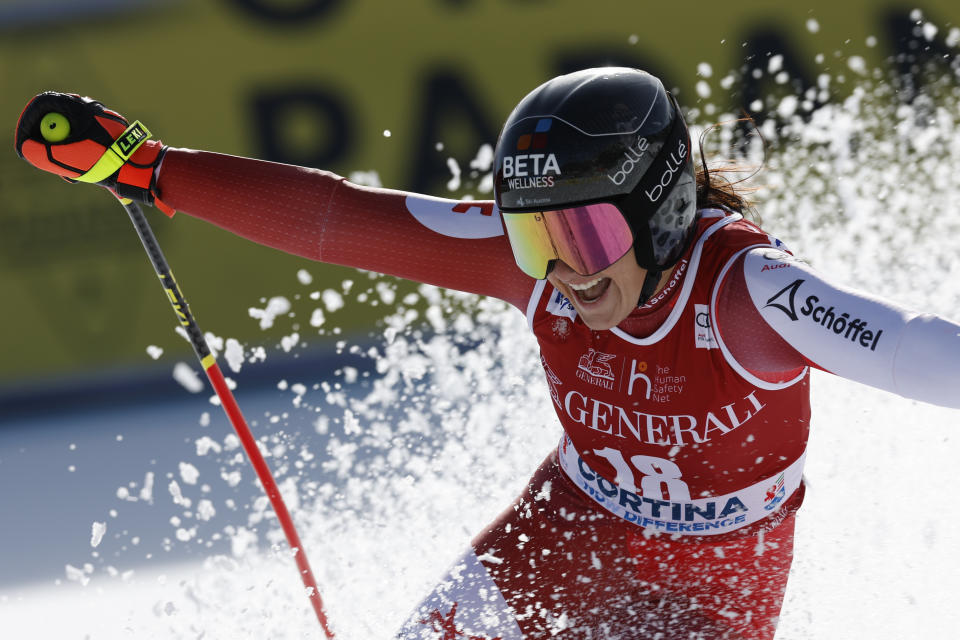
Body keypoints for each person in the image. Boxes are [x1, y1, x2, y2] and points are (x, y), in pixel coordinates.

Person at [15, 67, 960, 639]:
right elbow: (342, 217)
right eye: (533, 243)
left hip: (711, 590)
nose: (561, 275)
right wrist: (151, 169)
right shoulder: (546, 275)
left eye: (583, 241)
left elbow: (913, 345)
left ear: (662, 209)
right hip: (570, 525)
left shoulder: (750, 296)